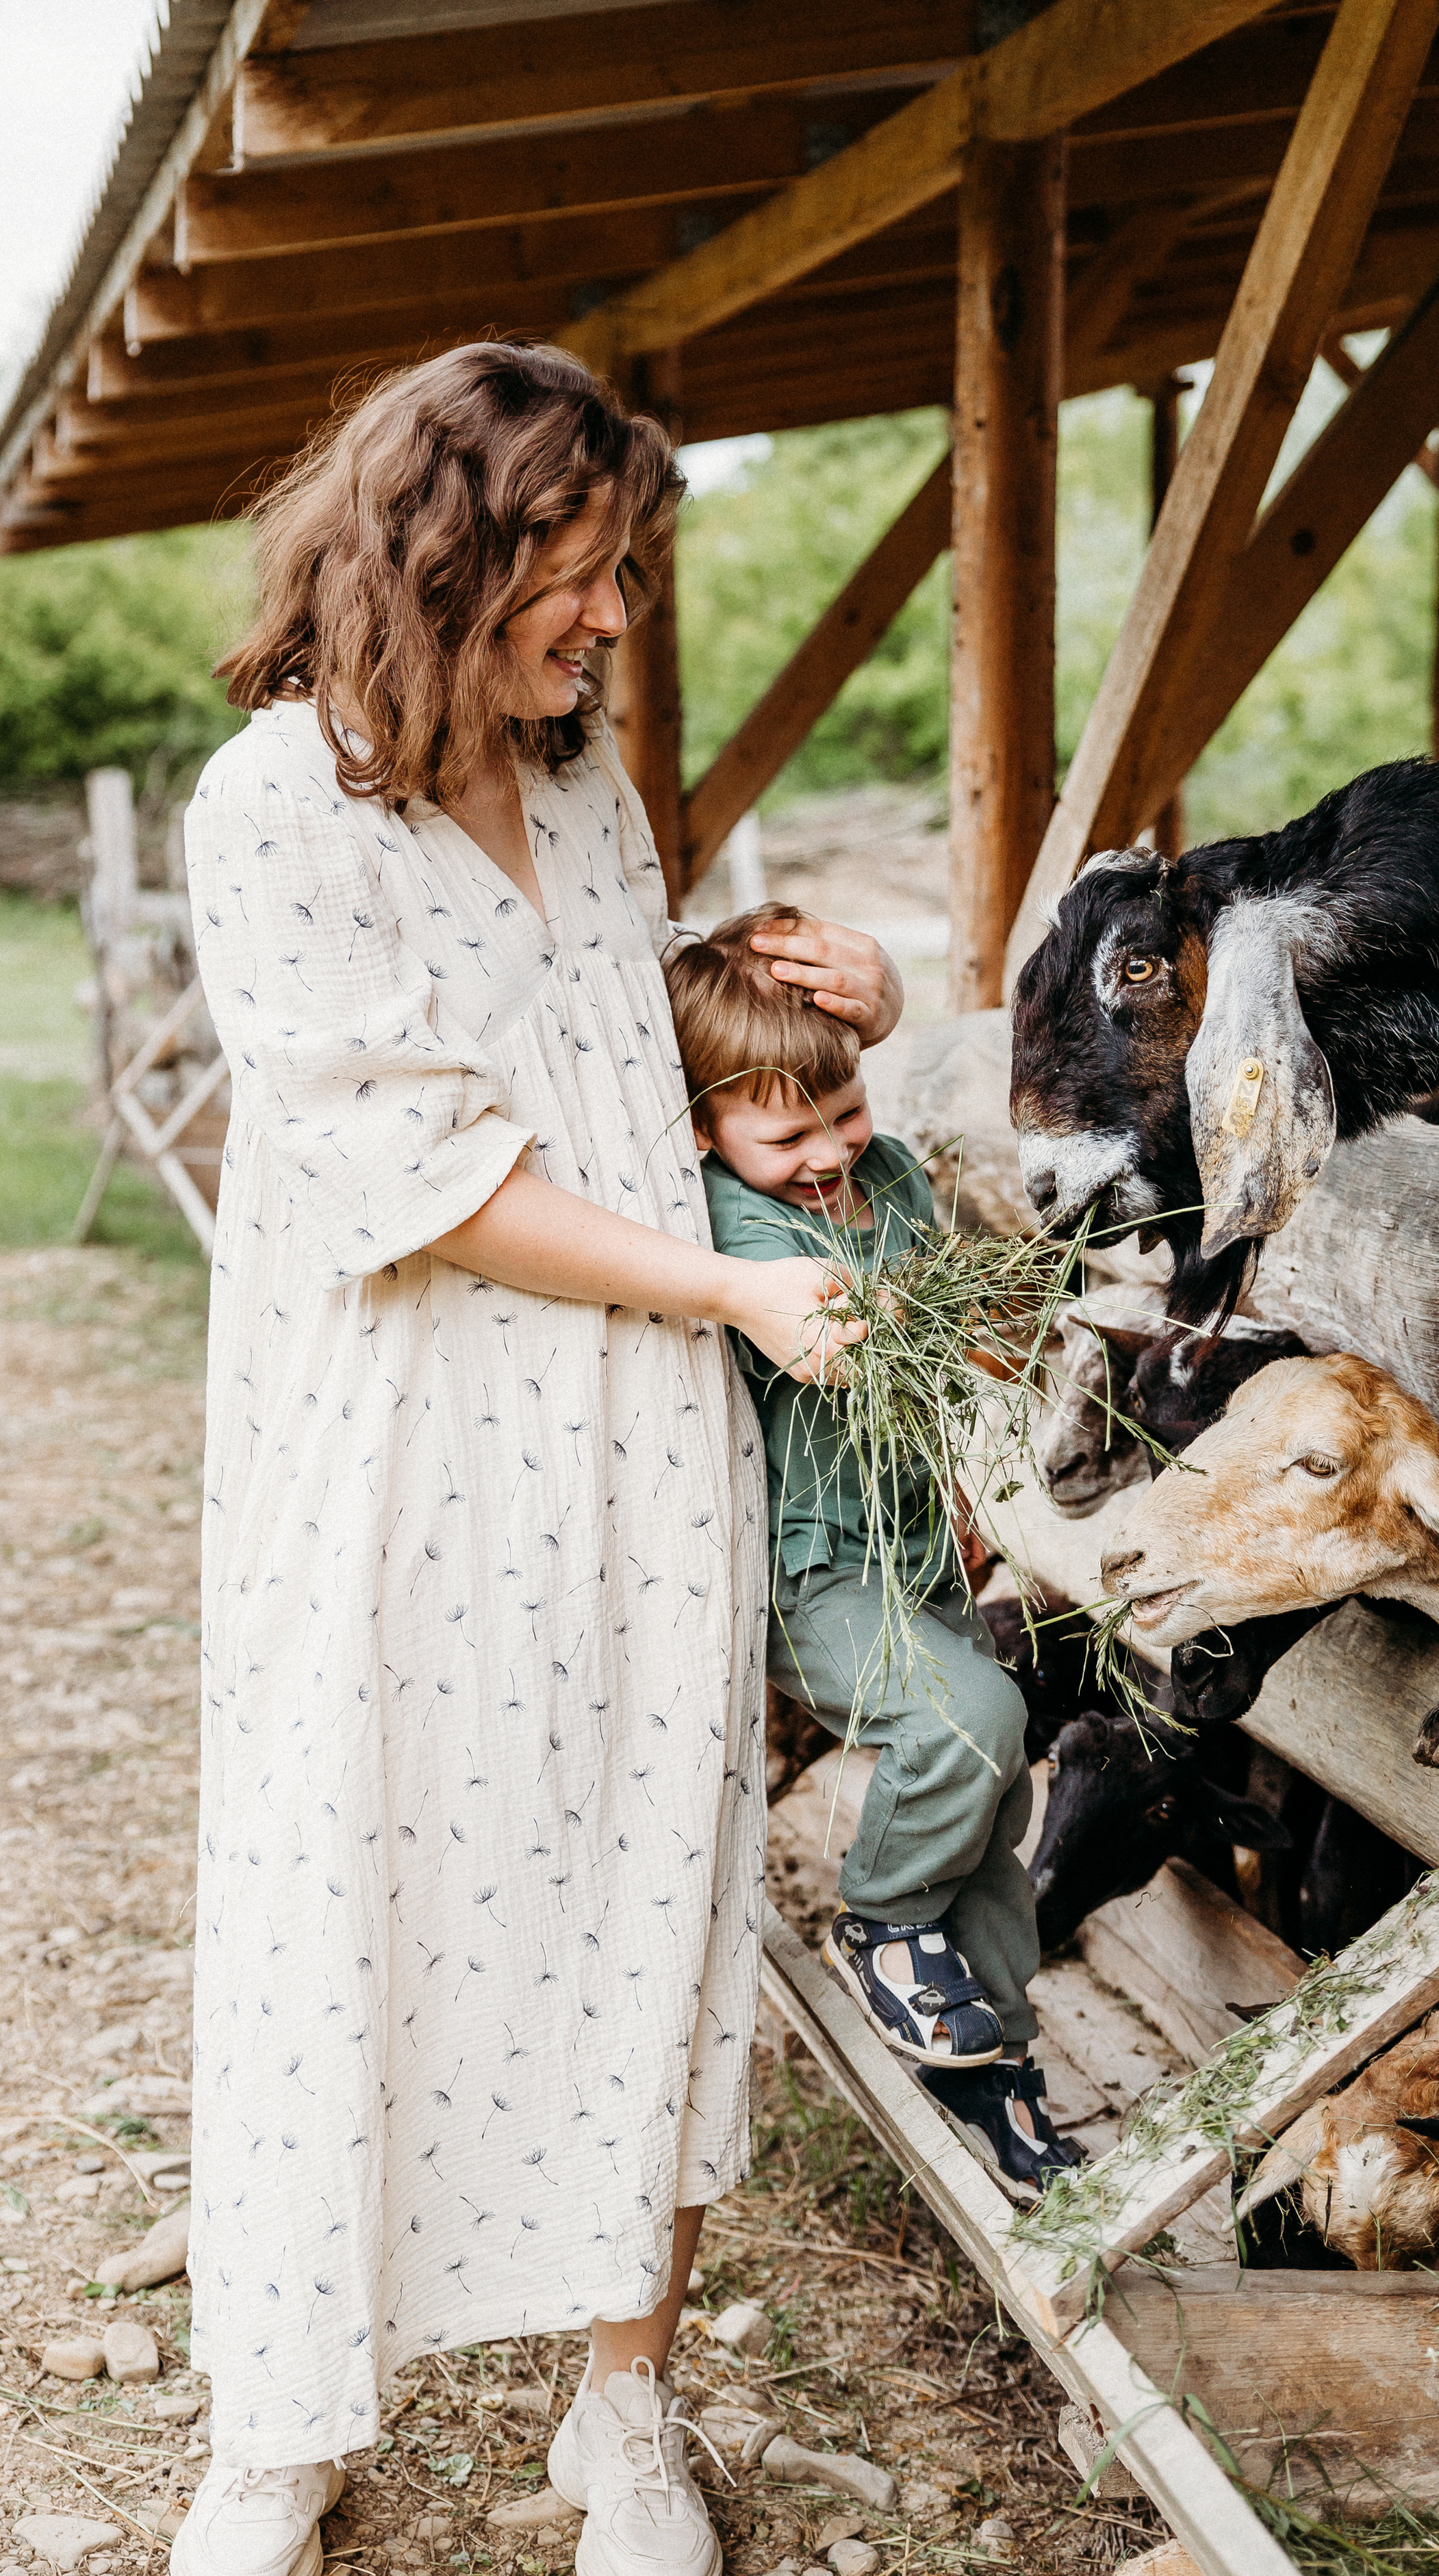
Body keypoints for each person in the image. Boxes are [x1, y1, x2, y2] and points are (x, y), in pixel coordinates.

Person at [174, 342, 902, 2576]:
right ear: (441, 552)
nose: (614, 622)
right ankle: (277, 2425)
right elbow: (424, 1168)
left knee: (634, 1890)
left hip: (633, 1443)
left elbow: (605, 1040)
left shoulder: (583, 786)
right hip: (403, 1451)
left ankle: (624, 2411)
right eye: (577, 577)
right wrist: (747, 1295)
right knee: (345, 1882)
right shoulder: (274, 806)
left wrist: (817, 992)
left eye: (621, 578)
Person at [664, 905, 1086, 2202]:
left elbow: (941, 1337)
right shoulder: (726, 1226)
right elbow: (865, 1328)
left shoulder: (887, 1174)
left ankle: (994, 2064)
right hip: (812, 1566)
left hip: (912, 1539)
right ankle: (887, 1925)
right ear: (704, 1131)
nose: (828, 1153)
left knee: (1001, 1782)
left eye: (843, 1113)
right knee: (967, 1725)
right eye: (785, 1135)